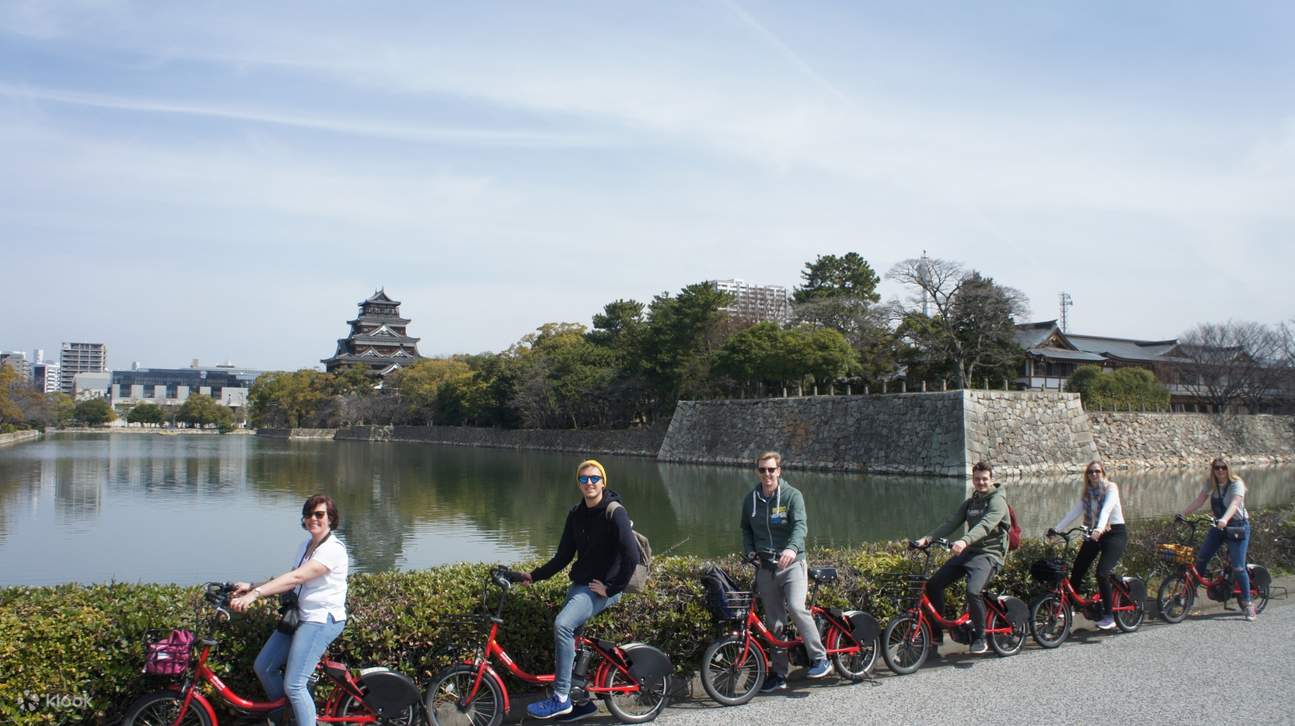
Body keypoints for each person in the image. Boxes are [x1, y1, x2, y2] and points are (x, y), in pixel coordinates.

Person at [521, 459, 640, 721]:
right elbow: (563, 556)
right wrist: (533, 575)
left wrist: (611, 588)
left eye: (595, 478)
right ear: (578, 483)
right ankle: (583, 703)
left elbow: (631, 555)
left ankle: (561, 698)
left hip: (601, 589)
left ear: (603, 481)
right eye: (584, 479)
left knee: (562, 625)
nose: (590, 483)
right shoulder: (576, 514)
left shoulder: (614, 510)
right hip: (581, 587)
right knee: (572, 641)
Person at [229, 494, 349, 726]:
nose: (313, 519)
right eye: (308, 514)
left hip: (321, 620)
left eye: (319, 514)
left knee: (295, 684)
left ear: (331, 518)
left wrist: (255, 595)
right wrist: (251, 586)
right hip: (299, 617)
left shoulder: (333, 549)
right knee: (264, 667)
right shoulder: (305, 545)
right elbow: (291, 579)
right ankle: (286, 718)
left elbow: (297, 576)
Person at [740, 451, 830, 691]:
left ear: (779, 471)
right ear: (758, 472)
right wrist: (750, 551)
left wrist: (791, 548)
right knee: (775, 622)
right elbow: (745, 529)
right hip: (766, 568)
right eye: (762, 470)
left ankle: (820, 658)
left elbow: (800, 526)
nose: (767, 474)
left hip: (792, 566)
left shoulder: (792, 496)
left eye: (771, 469)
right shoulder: (751, 499)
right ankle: (779, 674)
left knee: (797, 608)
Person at [914, 460, 1009, 655]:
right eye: (977, 479)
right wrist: (927, 538)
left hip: (989, 554)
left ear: (991, 479)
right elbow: (951, 523)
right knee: (933, 584)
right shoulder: (971, 502)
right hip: (970, 552)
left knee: (973, 591)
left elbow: (985, 525)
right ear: (973, 480)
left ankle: (981, 637)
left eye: (984, 479)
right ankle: (936, 634)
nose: (981, 482)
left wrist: (964, 541)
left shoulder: (998, 501)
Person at [1048, 460, 1127, 630]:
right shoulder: (1088, 493)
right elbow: (1073, 513)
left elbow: (1106, 509)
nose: (1094, 475)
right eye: (1090, 472)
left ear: (1103, 473)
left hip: (1114, 534)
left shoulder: (1111, 488)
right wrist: (1056, 529)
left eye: (1097, 471)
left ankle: (1109, 615)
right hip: (1094, 534)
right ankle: (1067, 607)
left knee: (1102, 572)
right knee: (1077, 569)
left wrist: (1098, 528)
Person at [1181, 456, 1255, 621]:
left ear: (1229, 469)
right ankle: (1190, 596)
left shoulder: (1237, 484)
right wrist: (1183, 513)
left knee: (1238, 567)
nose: (1220, 471)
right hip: (1219, 527)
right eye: (1217, 468)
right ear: (1213, 470)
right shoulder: (1211, 484)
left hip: (1238, 526)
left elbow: (1234, 504)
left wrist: (1224, 519)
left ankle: (1248, 603)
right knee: (1201, 557)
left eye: (1223, 467)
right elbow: (1199, 501)